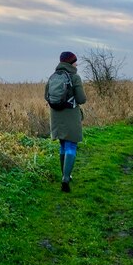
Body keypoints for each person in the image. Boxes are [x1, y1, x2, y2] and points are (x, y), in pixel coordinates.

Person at [46, 51, 87, 192]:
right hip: (71, 115)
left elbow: (47, 96)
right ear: (70, 62)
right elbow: (81, 99)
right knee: (71, 146)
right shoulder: (75, 77)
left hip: (56, 115)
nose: (77, 63)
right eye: (75, 61)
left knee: (63, 144)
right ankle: (65, 178)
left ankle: (65, 175)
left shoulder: (53, 76)